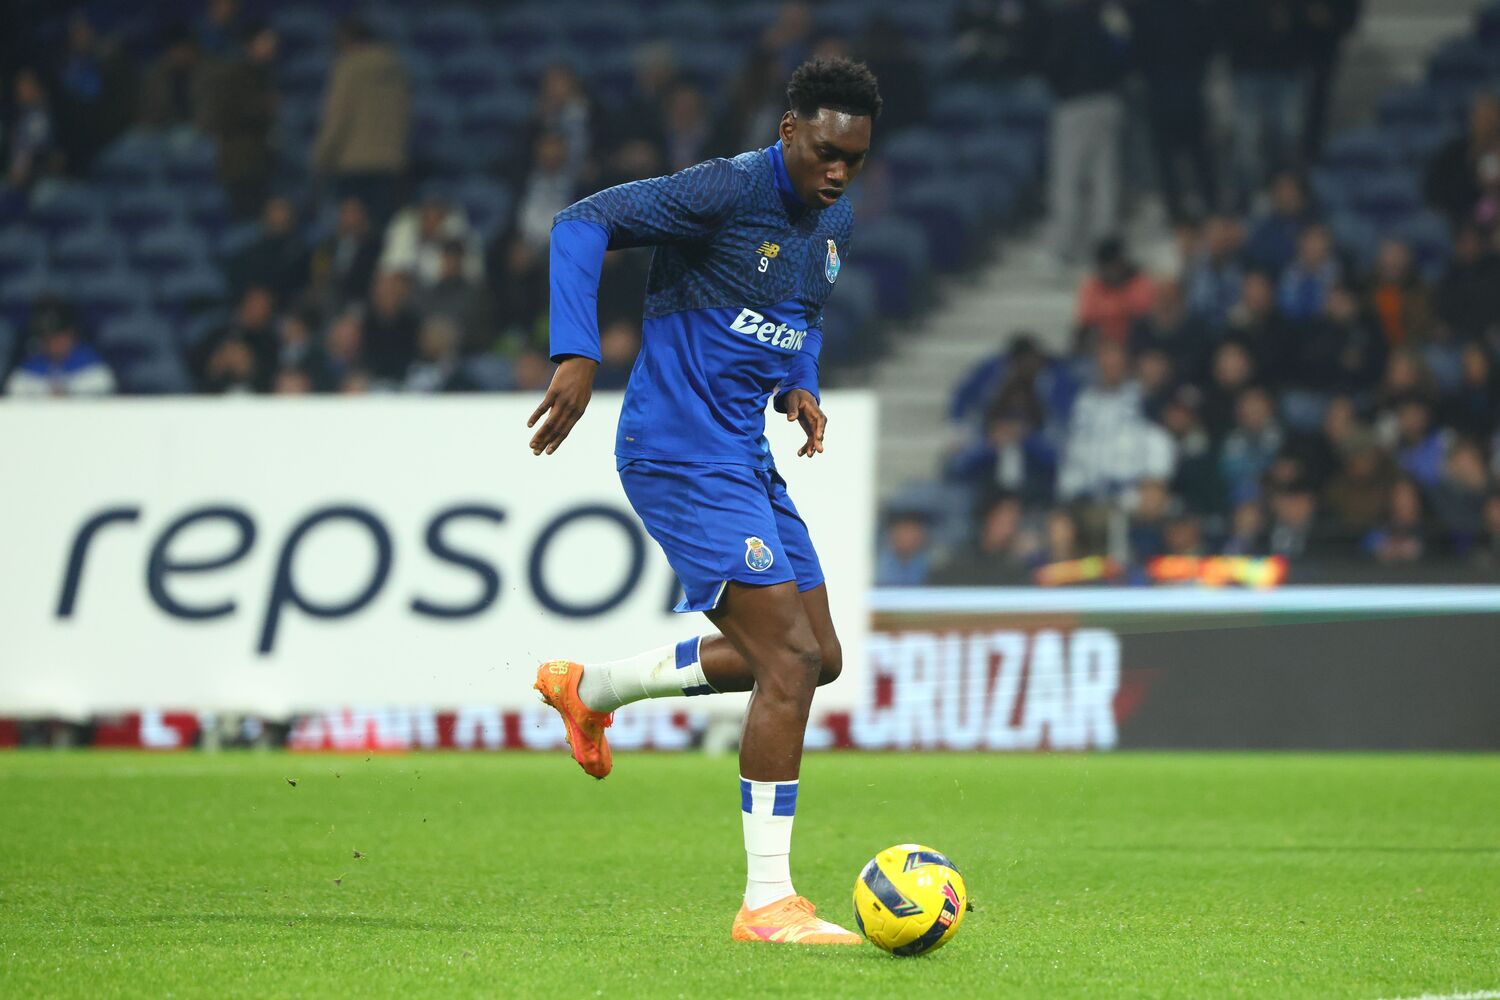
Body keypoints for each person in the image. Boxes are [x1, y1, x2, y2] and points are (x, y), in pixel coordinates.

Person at [529, 58, 879, 946]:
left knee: (819, 657)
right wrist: (577, 351)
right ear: (790, 130)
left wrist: (799, 383)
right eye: (826, 152)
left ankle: (592, 689)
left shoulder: (832, 219)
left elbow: (803, 315)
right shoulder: (725, 190)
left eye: (854, 159)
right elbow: (580, 222)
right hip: (679, 452)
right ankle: (767, 903)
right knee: (787, 662)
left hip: (742, 453)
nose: (839, 172)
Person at [1041, 0, 1132, 265]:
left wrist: (1059, 85)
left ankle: (1064, 246)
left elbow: (1054, 62)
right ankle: (1106, 246)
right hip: (1108, 100)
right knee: (1104, 177)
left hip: (1075, 103)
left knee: (1068, 178)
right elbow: (1124, 57)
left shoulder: (1066, 20)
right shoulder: (1108, 17)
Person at [311, 18, 409, 225]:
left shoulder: (349, 67)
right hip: (390, 162)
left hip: (354, 163)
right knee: (382, 227)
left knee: (355, 228)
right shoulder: (396, 67)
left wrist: (321, 158)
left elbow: (337, 118)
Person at [199, 22, 278, 219]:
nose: (272, 46)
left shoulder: (267, 74)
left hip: (262, 159)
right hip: (239, 161)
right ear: (250, 45)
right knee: (245, 218)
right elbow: (220, 115)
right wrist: (263, 108)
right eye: (265, 41)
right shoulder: (233, 74)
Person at [3, 298, 115, 397]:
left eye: (59, 336)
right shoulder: (27, 372)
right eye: (47, 337)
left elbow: (106, 394)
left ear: (71, 334)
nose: (53, 343)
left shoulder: (94, 368)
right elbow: (13, 394)